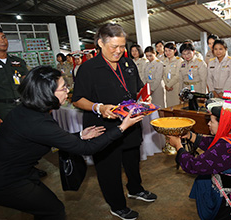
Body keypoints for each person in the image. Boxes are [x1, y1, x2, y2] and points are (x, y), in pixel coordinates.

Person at [0, 65, 143, 220]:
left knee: (46, 208)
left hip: (16, 171)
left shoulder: (29, 110)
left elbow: (46, 138)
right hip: (3, 180)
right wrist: (122, 127)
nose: (67, 91)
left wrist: (80, 135)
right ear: (47, 93)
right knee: (53, 211)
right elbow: (87, 149)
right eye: (63, 88)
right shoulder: (38, 122)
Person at [72, 23, 157, 220]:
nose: (119, 51)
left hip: (130, 123)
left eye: (122, 46)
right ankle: (117, 205)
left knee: (132, 159)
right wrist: (99, 107)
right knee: (108, 167)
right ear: (100, 43)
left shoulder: (128, 64)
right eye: (113, 47)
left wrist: (144, 99)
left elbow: (136, 89)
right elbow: (78, 99)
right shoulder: (88, 68)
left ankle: (135, 189)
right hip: (104, 127)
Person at [167, 95, 231, 220]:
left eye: (212, 121)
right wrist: (190, 136)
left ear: (224, 124)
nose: (208, 124)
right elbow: (214, 145)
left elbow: (194, 166)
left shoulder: (225, 148)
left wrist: (178, 146)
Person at [0, 24, 28, 130]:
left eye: (3, 37)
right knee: (10, 139)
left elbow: (28, 84)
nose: (2, 41)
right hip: (3, 108)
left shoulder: (19, 61)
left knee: (31, 135)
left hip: (24, 105)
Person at [163, 42, 183, 107]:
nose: (167, 53)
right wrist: (166, 85)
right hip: (167, 88)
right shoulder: (164, 61)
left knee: (176, 106)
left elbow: (177, 75)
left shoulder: (179, 60)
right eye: (166, 51)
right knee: (169, 106)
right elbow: (163, 74)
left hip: (175, 87)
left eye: (169, 50)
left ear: (174, 51)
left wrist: (169, 85)